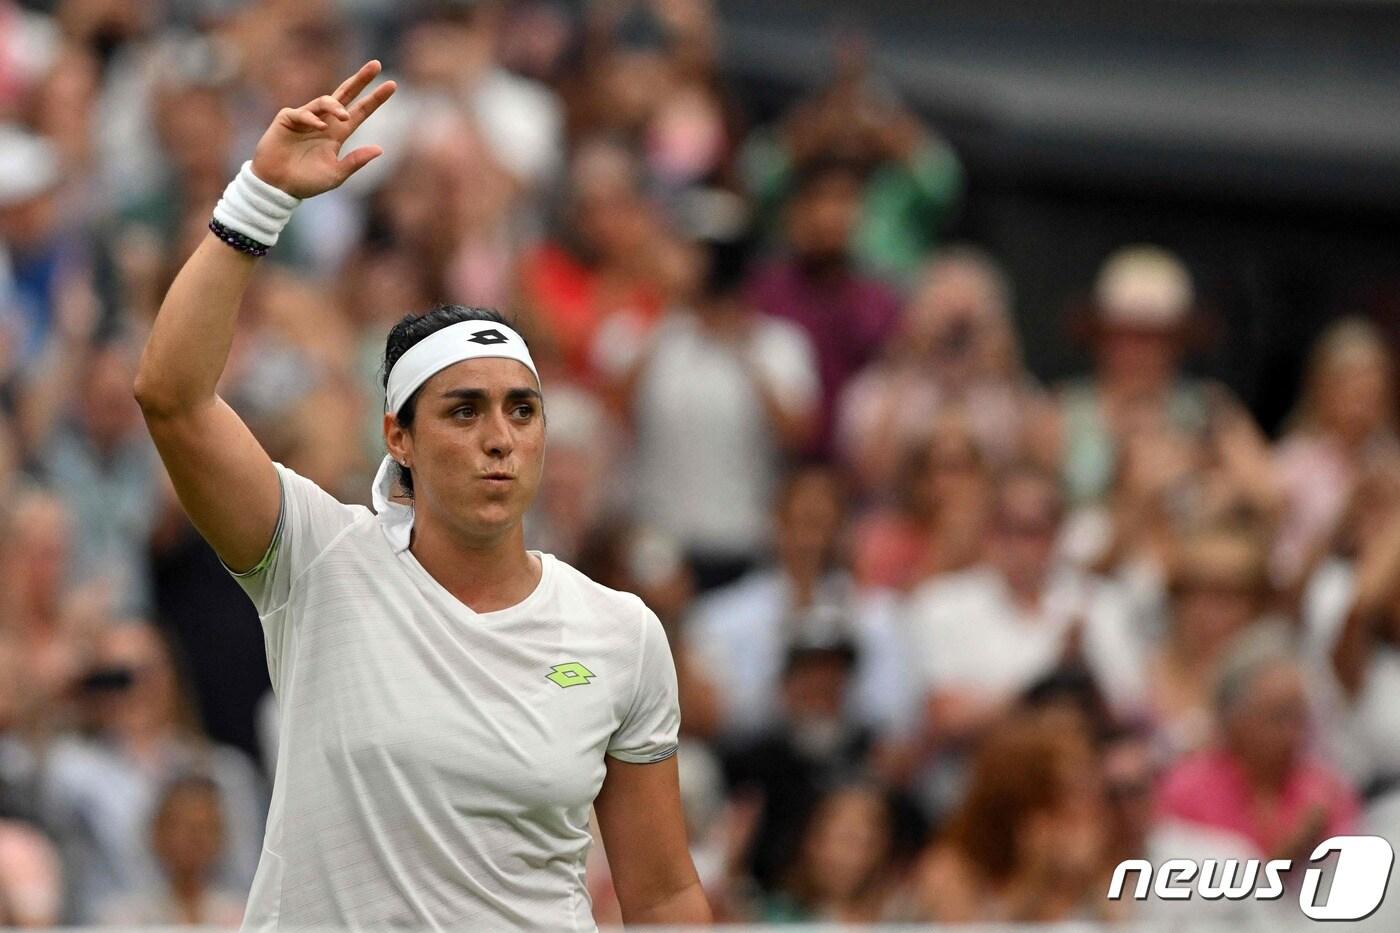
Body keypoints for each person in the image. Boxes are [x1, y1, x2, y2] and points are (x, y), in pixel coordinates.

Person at [133, 61, 708, 928]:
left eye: (522, 409)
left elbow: (663, 892)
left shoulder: (620, 633)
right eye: (464, 410)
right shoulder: (315, 558)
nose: (499, 436)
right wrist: (259, 199)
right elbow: (172, 397)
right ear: (397, 437)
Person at [97, 774, 246, 926]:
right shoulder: (124, 918)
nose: (195, 839)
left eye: (205, 828)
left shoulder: (243, 916)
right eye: (183, 827)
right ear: (156, 833)